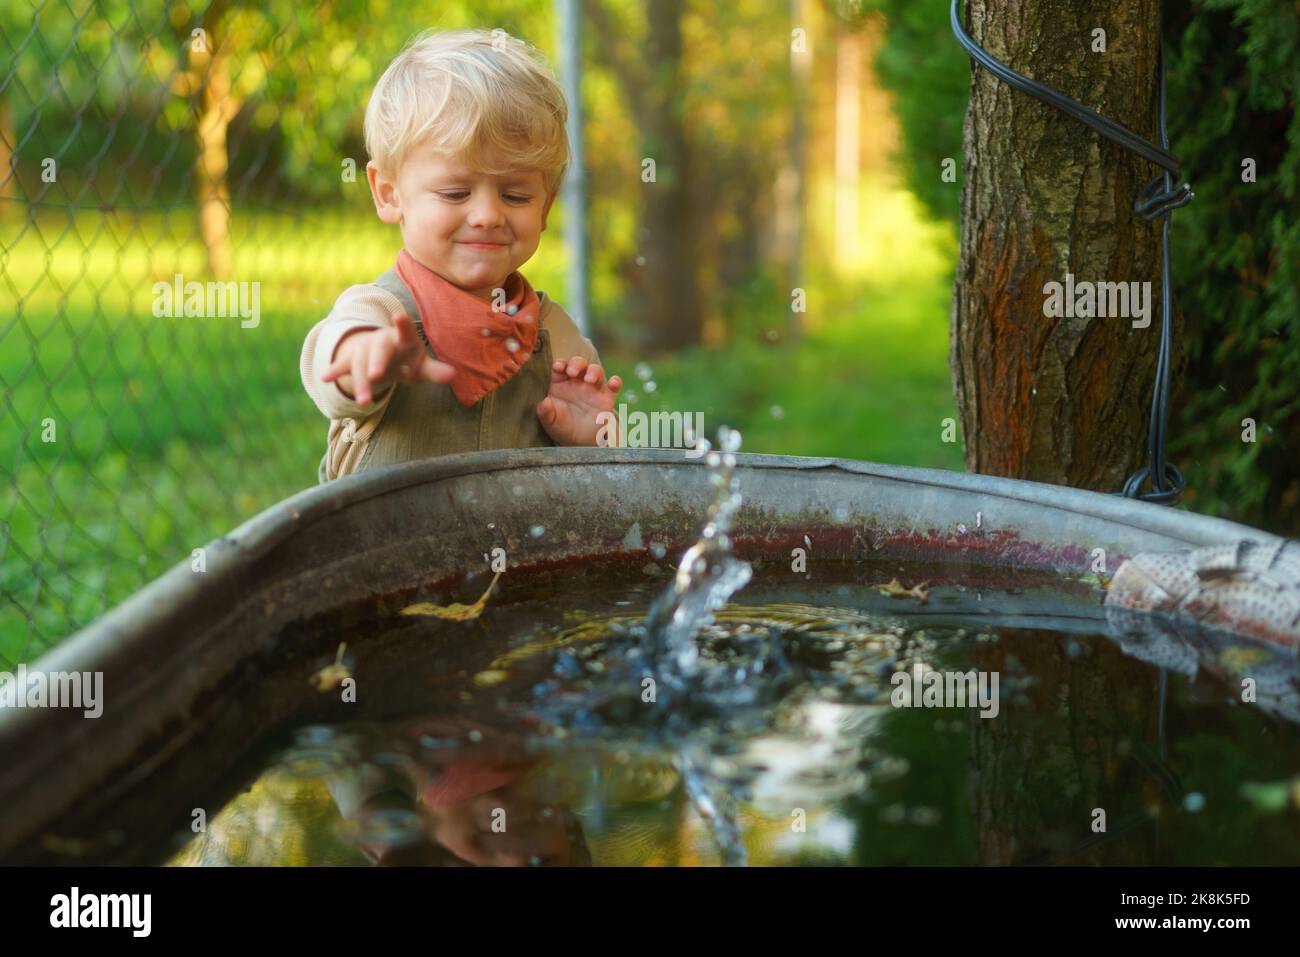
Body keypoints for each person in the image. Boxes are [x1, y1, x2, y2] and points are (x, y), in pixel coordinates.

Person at [300, 29, 622, 483]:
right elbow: (332, 369)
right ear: (389, 194)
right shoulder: (380, 313)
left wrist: (592, 439)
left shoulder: (555, 336)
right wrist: (364, 359)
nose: (488, 214)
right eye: (455, 193)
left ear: (545, 208)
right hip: (387, 550)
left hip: (520, 551)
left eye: (514, 195)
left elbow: (599, 485)